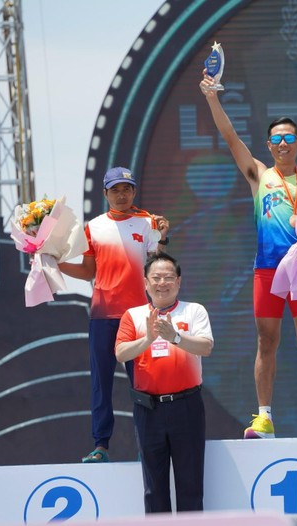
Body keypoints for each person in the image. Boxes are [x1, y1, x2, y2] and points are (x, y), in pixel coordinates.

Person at [199, 72, 297, 439]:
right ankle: (264, 418)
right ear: (269, 144)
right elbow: (229, 137)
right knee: (266, 340)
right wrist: (212, 98)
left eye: (289, 137)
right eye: (276, 138)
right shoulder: (258, 175)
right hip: (267, 271)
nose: (282, 143)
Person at [58, 166, 169, 463]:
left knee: (144, 384)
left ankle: (149, 444)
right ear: (105, 193)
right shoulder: (93, 227)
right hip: (102, 315)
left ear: (134, 191)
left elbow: (157, 264)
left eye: (127, 189)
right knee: (101, 383)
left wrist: (163, 236)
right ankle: (100, 446)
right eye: (115, 190)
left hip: (136, 316)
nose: (122, 194)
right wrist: (52, 263)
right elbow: (87, 272)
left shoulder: (147, 222)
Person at [115, 252, 213, 513]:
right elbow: (121, 353)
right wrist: (147, 339)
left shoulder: (193, 311)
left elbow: (205, 347)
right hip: (149, 409)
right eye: (156, 278)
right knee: (154, 487)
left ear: (178, 281)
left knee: (190, 484)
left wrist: (175, 338)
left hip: (186, 405)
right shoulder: (133, 316)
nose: (162, 283)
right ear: (145, 283)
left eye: (168, 277)